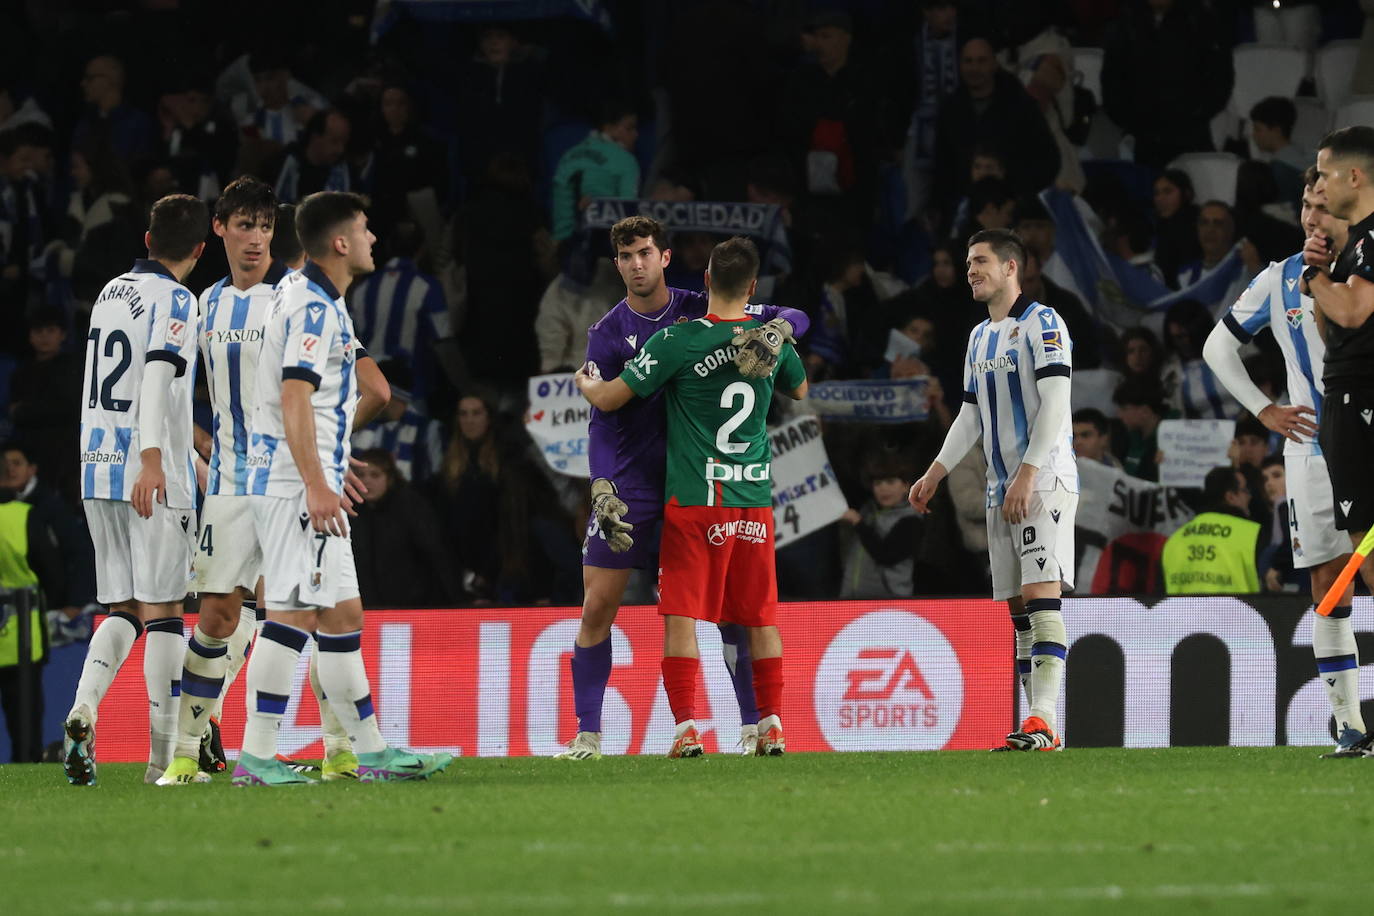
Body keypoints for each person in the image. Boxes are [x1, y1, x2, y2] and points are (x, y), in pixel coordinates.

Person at [554, 216, 810, 760]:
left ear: (665, 257)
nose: (637, 264)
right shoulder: (605, 331)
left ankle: (748, 726)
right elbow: (602, 420)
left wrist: (780, 328)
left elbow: (787, 313)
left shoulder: (696, 309)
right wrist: (600, 483)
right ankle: (588, 734)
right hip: (631, 489)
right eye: (626, 257)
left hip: (691, 482)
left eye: (645, 252)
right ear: (617, 264)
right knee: (597, 606)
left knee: (728, 615)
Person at [231, 191, 450, 786]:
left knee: (342, 613)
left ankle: (374, 752)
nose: (374, 239)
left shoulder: (314, 298)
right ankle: (255, 756)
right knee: (292, 615)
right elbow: (293, 396)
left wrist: (327, 458)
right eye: (366, 228)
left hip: (303, 475)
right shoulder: (311, 307)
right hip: (293, 485)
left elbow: (324, 404)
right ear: (340, 242)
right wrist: (314, 480)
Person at [159, 177, 353, 784]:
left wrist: (329, 459)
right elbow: (171, 393)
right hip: (228, 488)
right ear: (218, 229)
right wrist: (199, 454)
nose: (256, 239)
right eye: (245, 225)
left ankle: (338, 750)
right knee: (216, 616)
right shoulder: (203, 305)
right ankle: (186, 754)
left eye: (266, 227)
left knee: (309, 611)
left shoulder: (294, 298)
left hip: (292, 485)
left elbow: (358, 379)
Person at [908, 228, 1077, 751]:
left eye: (980, 261)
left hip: (1042, 479)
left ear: (1011, 267)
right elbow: (970, 413)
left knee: (1040, 598)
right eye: (967, 263)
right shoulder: (979, 336)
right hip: (1000, 489)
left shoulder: (1043, 322)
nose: (970, 270)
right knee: (1018, 611)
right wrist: (936, 470)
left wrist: (1028, 472)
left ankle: (1045, 720)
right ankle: (1036, 724)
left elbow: (1055, 403)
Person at [63, 194, 208, 787]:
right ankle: (161, 764)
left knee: (120, 607)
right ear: (200, 250)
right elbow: (154, 378)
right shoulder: (178, 299)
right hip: (149, 475)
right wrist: (154, 458)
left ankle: (84, 708)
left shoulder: (110, 291)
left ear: (147, 241)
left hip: (95, 467)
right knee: (166, 615)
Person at [1303, 126, 1374, 750]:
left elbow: (1352, 313)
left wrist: (1310, 278)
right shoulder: (1353, 253)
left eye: (1324, 174)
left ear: (1355, 177)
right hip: (1349, 399)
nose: (1317, 186)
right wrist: (1324, 276)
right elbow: (1335, 333)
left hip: (1364, 404)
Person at [550, 100, 640, 244]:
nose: (636, 135)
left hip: (560, 248)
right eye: (630, 128)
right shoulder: (626, 161)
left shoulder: (567, 157)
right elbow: (628, 216)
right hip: (606, 247)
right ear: (609, 128)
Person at [1161, 466, 1259, 595]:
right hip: (1235, 613)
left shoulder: (1174, 539)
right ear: (1230, 497)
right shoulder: (1251, 534)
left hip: (1182, 614)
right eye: (1245, 490)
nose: (1249, 496)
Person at [839, 457, 921, 599]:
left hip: (889, 602)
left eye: (890, 482)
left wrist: (859, 523)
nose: (883, 488)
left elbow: (886, 555)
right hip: (851, 599)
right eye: (877, 483)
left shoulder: (912, 521)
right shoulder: (867, 510)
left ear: (906, 486)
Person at [270, 109, 352, 204]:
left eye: (344, 143)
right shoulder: (283, 164)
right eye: (334, 141)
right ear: (315, 137)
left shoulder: (345, 171)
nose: (340, 150)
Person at [1112, 376, 1165, 482]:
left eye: (1124, 409)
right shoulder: (1127, 438)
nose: (1119, 415)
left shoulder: (1167, 443)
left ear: (1145, 411)